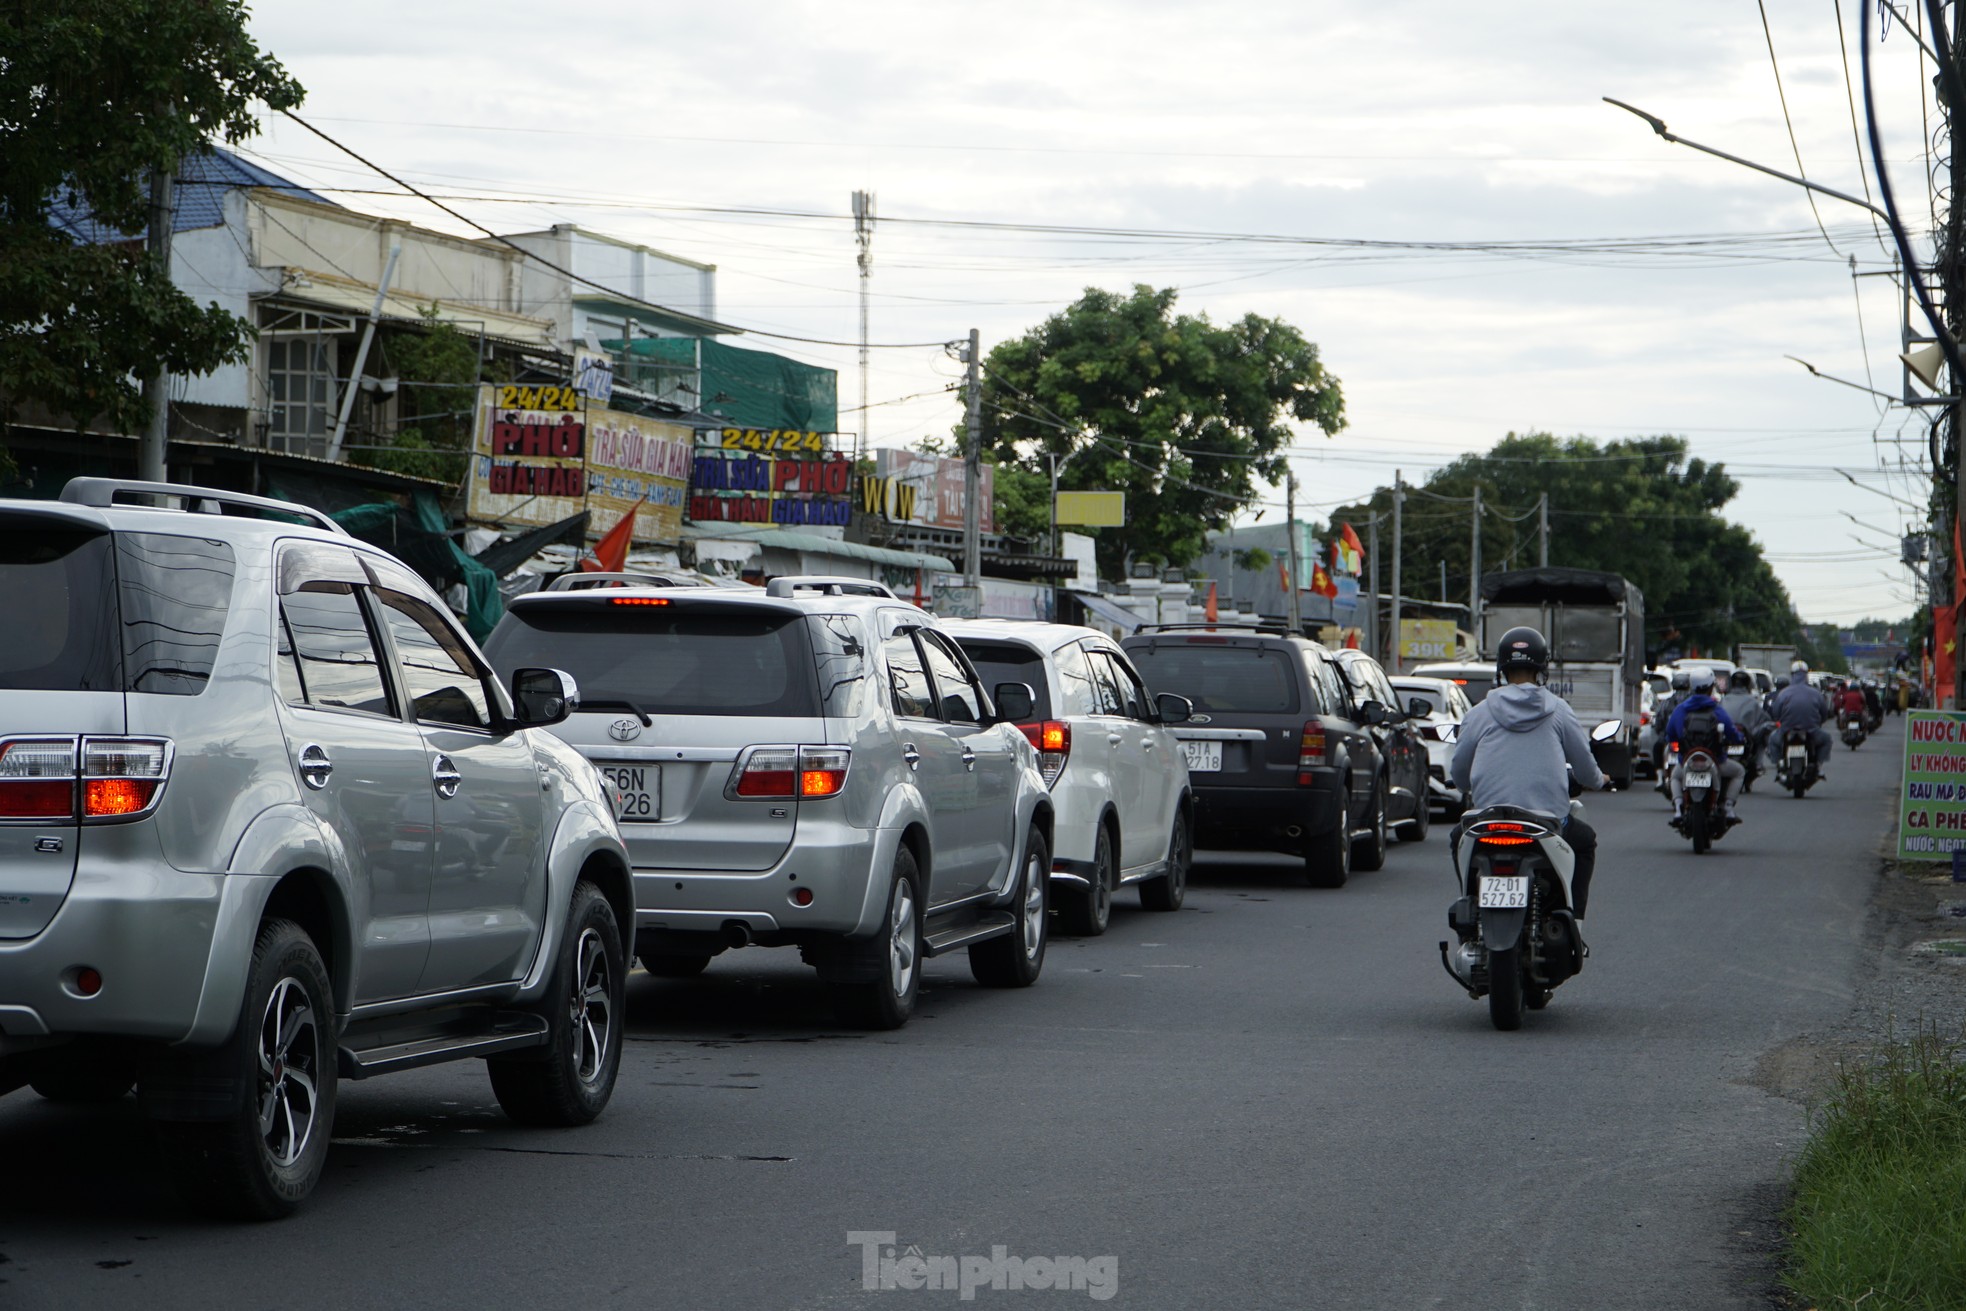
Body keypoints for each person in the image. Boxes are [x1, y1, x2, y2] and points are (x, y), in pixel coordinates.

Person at [1449, 626, 1607, 921]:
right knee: (1584, 841)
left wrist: (1465, 782)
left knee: (1457, 836)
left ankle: (1470, 908)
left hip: (1487, 822)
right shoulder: (1560, 711)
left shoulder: (1478, 714)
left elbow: (1458, 775)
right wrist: (1600, 780)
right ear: (1542, 668)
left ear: (1501, 667)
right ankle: (1573, 919)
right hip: (1546, 824)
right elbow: (1586, 771)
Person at [1665, 667, 1746, 823]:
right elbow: (1732, 733)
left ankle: (1678, 808)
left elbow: (1670, 733)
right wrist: (1739, 739)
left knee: (1675, 776)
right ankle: (1728, 807)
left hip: (1687, 761)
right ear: (1710, 687)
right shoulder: (1717, 710)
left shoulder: (1681, 709)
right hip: (1716, 761)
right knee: (1739, 772)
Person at [1770, 659, 1832, 777]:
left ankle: (1780, 764)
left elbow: (1776, 713)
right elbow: (1824, 714)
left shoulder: (1784, 693)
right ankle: (1818, 765)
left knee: (1772, 740)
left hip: (1786, 730)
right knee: (1826, 739)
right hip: (1811, 730)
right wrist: (1818, 723)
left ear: (1792, 675)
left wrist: (1780, 722)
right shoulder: (1816, 693)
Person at [1718, 669, 1772, 787]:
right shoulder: (1752, 701)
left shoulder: (1724, 700)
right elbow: (1765, 718)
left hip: (1738, 736)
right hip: (1738, 736)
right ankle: (1758, 763)